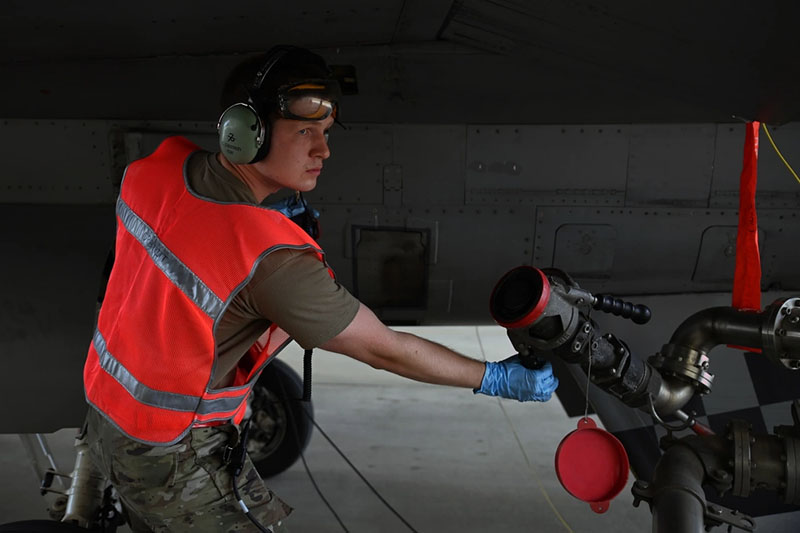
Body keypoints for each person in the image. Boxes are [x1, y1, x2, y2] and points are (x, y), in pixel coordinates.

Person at [82, 45, 559, 532]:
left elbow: (181, 246)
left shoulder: (153, 170)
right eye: (305, 132)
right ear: (246, 134)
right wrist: (494, 378)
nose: (323, 150)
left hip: (105, 417)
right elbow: (385, 350)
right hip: (171, 454)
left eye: (326, 133)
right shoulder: (272, 259)